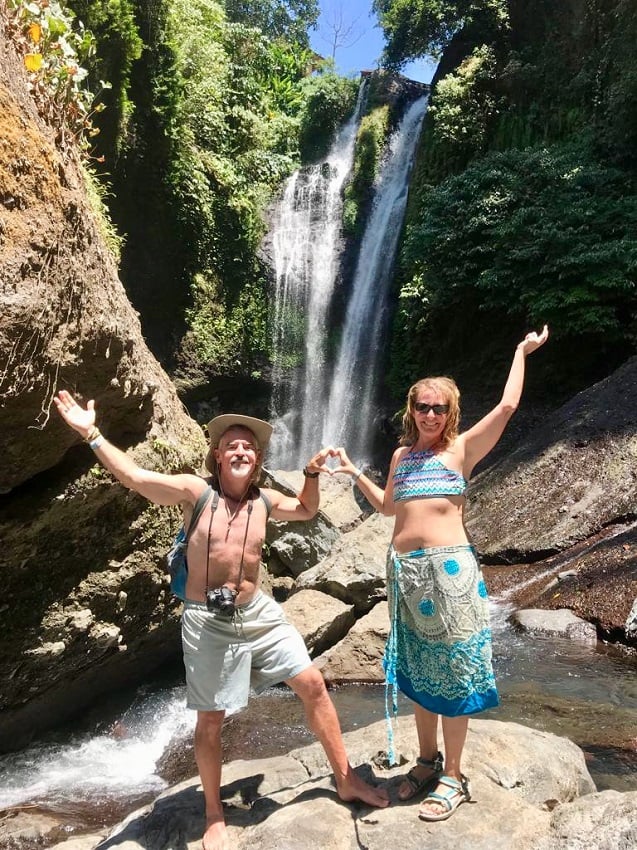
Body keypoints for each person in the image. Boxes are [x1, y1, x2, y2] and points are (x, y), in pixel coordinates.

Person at [53, 392, 389, 850]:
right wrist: (91, 433)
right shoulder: (196, 493)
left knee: (312, 683)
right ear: (217, 454)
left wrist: (310, 474)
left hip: (258, 614)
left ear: (258, 459)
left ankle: (345, 779)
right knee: (211, 718)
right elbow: (134, 477)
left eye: (248, 447)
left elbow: (308, 510)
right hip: (206, 622)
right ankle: (214, 813)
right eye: (231, 445)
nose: (240, 451)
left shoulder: (265, 501)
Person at [331, 326, 549, 822]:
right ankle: (426, 763)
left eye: (439, 408)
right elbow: (389, 507)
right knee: (418, 669)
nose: (430, 415)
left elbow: (508, 407)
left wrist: (520, 351)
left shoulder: (462, 450)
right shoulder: (401, 457)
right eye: (422, 407)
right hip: (404, 574)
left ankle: (453, 774)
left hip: (449, 574)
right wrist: (352, 471)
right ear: (411, 410)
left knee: (455, 668)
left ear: (452, 413)